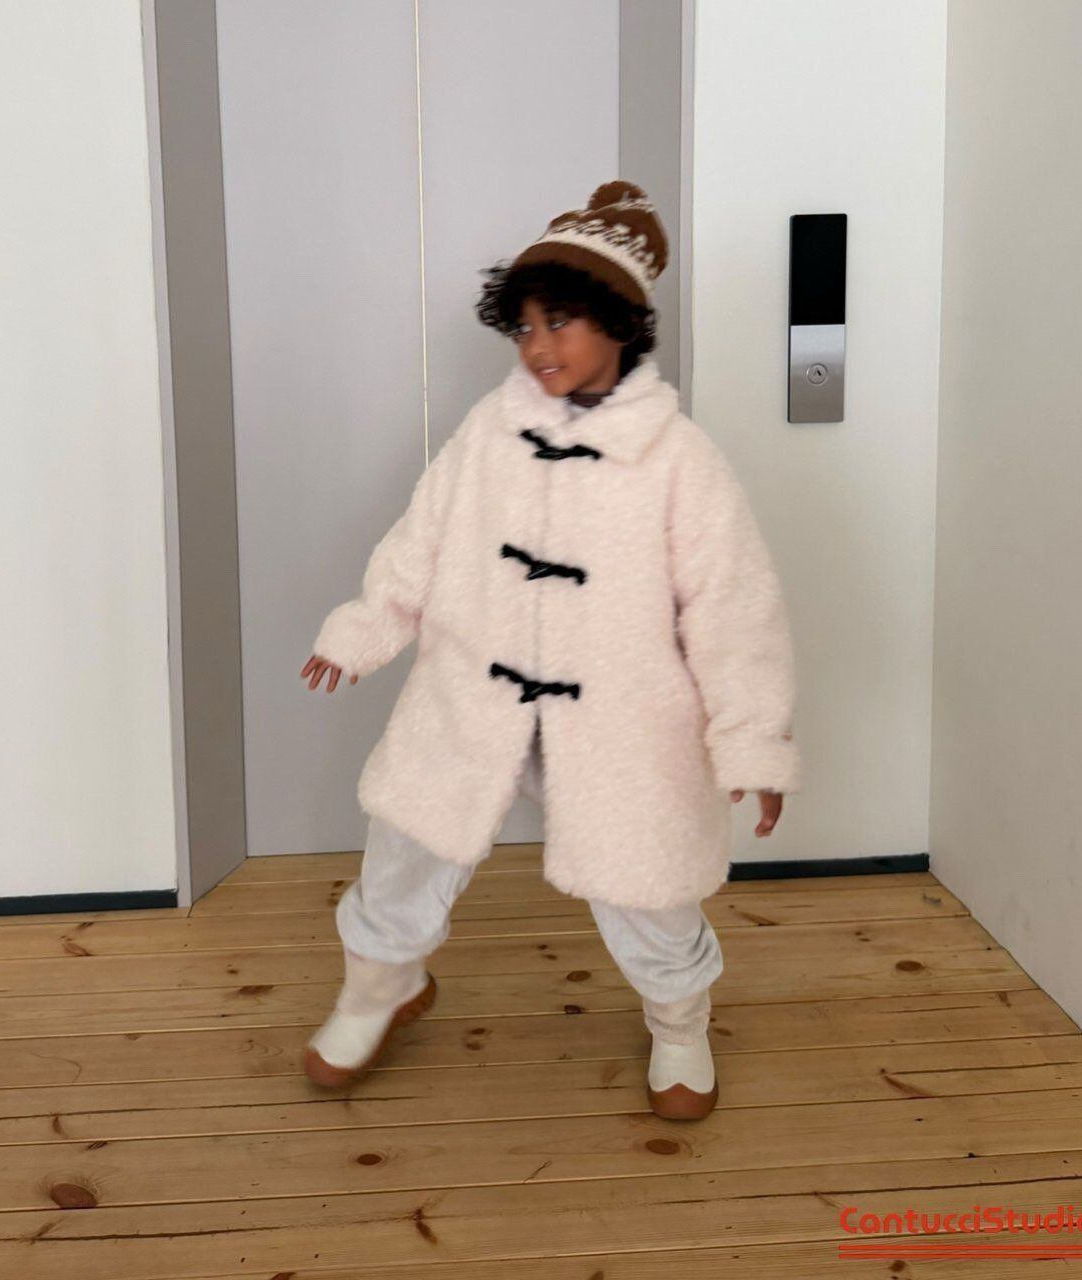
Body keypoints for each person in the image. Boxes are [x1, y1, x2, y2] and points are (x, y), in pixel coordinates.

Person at [298, 181, 802, 1122]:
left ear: (621, 322)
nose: (537, 347)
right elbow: (422, 537)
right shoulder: (487, 435)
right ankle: (379, 987)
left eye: (560, 323)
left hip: (625, 719)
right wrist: (367, 625)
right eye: (525, 327)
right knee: (406, 842)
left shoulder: (680, 460)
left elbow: (734, 610)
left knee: (646, 879)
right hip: (470, 692)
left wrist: (753, 741)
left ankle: (679, 1018)